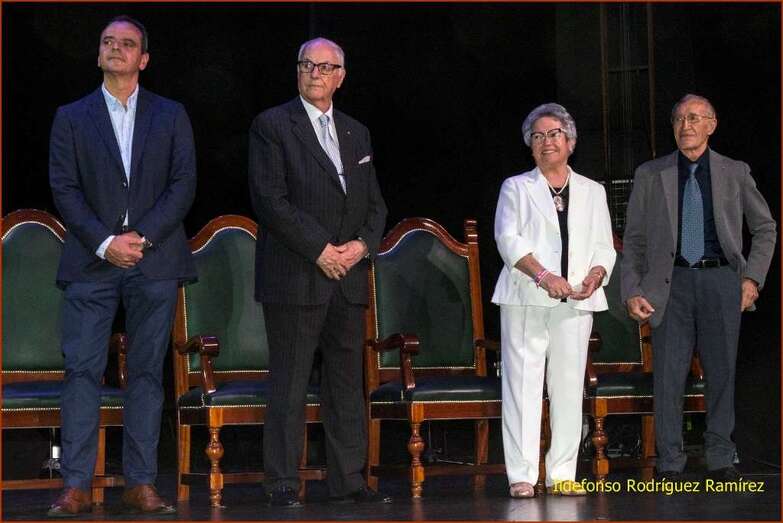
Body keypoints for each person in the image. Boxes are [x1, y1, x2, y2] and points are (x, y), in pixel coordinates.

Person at [48, 15, 196, 516]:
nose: (116, 49)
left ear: (143, 59)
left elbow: (183, 184)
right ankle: (75, 485)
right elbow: (64, 188)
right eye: (108, 42)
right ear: (98, 55)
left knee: (149, 374)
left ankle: (140, 481)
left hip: (154, 261)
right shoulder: (71, 115)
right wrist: (106, 241)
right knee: (82, 370)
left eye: (127, 44)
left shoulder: (171, 114)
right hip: (92, 262)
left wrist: (142, 237)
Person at [248, 37, 389, 508]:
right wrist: (320, 250)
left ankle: (349, 481)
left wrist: (361, 247)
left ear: (341, 77)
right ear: (297, 71)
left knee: (347, 386)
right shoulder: (272, 125)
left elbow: (375, 204)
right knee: (289, 385)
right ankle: (283, 483)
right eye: (307, 65)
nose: (315, 73)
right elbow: (270, 201)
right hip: (296, 276)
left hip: (347, 278)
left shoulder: (357, 131)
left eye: (325, 67)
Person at [621, 94, 776, 480]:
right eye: (678, 119)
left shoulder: (734, 171)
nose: (685, 125)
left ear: (712, 124)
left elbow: (765, 228)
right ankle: (670, 462)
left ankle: (721, 458)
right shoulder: (650, 174)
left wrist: (752, 279)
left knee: (721, 375)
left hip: (720, 281)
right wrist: (631, 290)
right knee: (669, 377)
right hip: (669, 286)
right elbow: (634, 239)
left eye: (694, 118)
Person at [492, 103, 616, 498]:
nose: (547, 142)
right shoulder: (516, 187)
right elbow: (508, 239)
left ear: (571, 142)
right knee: (522, 386)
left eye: (554, 134)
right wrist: (544, 276)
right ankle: (523, 475)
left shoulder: (593, 191)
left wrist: (595, 277)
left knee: (566, 388)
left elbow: (604, 247)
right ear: (530, 146)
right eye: (538, 136)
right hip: (526, 297)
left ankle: (563, 472)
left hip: (578, 302)